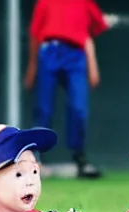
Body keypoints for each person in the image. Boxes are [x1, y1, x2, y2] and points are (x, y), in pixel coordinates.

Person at [23, 0, 109, 179]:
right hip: (49, 51)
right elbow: (35, 34)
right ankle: (35, 158)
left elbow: (91, 31)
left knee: (79, 108)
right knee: (43, 108)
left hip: (75, 54)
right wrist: (32, 67)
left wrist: (93, 65)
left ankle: (80, 157)